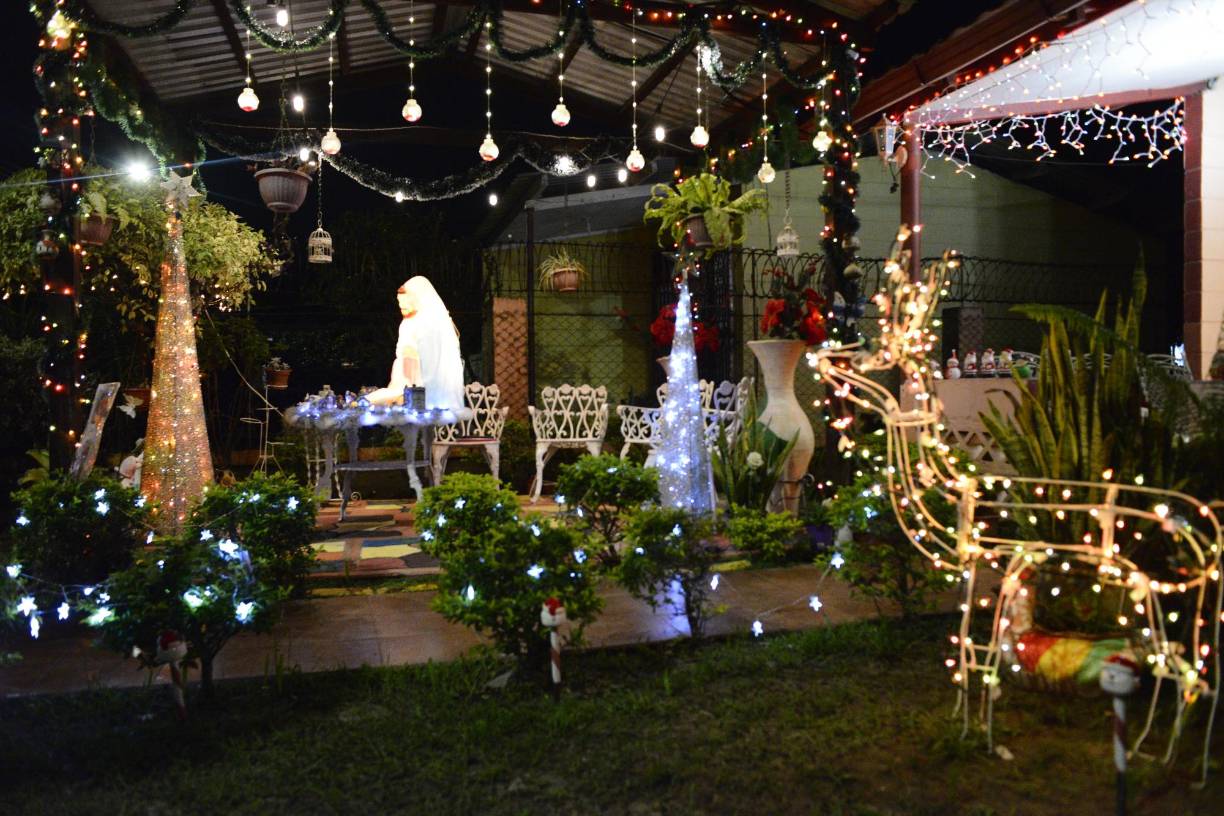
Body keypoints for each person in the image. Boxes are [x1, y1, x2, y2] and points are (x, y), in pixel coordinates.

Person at [367, 276, 465, 412]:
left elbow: (432, 354)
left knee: (404, 397)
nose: (401, 305)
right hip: (404, 372)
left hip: (421, 375)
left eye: (405, 301)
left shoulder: (430, 323)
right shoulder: (406, 323)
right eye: (399, 301)